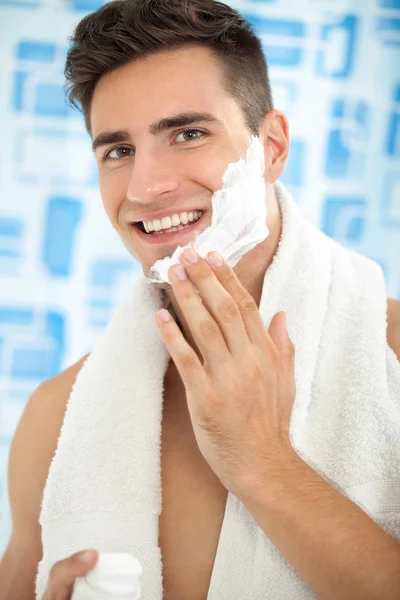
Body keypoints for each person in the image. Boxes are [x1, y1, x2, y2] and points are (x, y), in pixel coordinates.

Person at [1, 1, 400, 599]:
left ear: (272, 147)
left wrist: (261, 460)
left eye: (188, 134)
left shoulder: (392, 355)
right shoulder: (56, 419)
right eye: (117, 151)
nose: (144, 186)